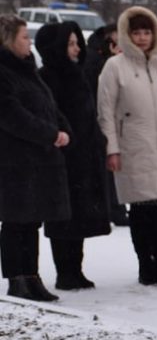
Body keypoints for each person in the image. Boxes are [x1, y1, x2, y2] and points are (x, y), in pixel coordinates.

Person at [97, 6, 157, 286]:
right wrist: (111, 148)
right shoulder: (114, 67)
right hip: (133, 147)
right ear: (127, 35)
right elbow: (106, 111)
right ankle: (145, 264)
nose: (141, 38)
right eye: (136, 32)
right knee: (141, 210)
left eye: (146, 32)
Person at [0, 14, 70, 302]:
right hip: (13, 162)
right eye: (24, 37)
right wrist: (49, 134)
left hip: (38, 161)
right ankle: (17, 278)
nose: (30, 42)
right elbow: (12, 115)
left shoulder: (28, 70)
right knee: (16, 221)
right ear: (8, 40)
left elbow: (47, 105)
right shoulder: (3, 73)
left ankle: (31, 275)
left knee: (31, 221)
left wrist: (63, 128)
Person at [36, 22, 110, 290]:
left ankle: (75, 269)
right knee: (63, 217)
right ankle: (64, 271)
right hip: (63, 156)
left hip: (84, 155)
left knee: (80, 214)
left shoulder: (77, 74)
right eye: (70, 43)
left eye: (77, 42)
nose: (77, 48)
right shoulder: (48, 77)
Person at [83, 23, 126, 227]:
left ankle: (115, 206)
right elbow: (97, 85)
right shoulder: (95, 56)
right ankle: (113, 208)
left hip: (116, 119)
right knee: (108, 164)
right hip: (98, 118)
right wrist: (110, 60)